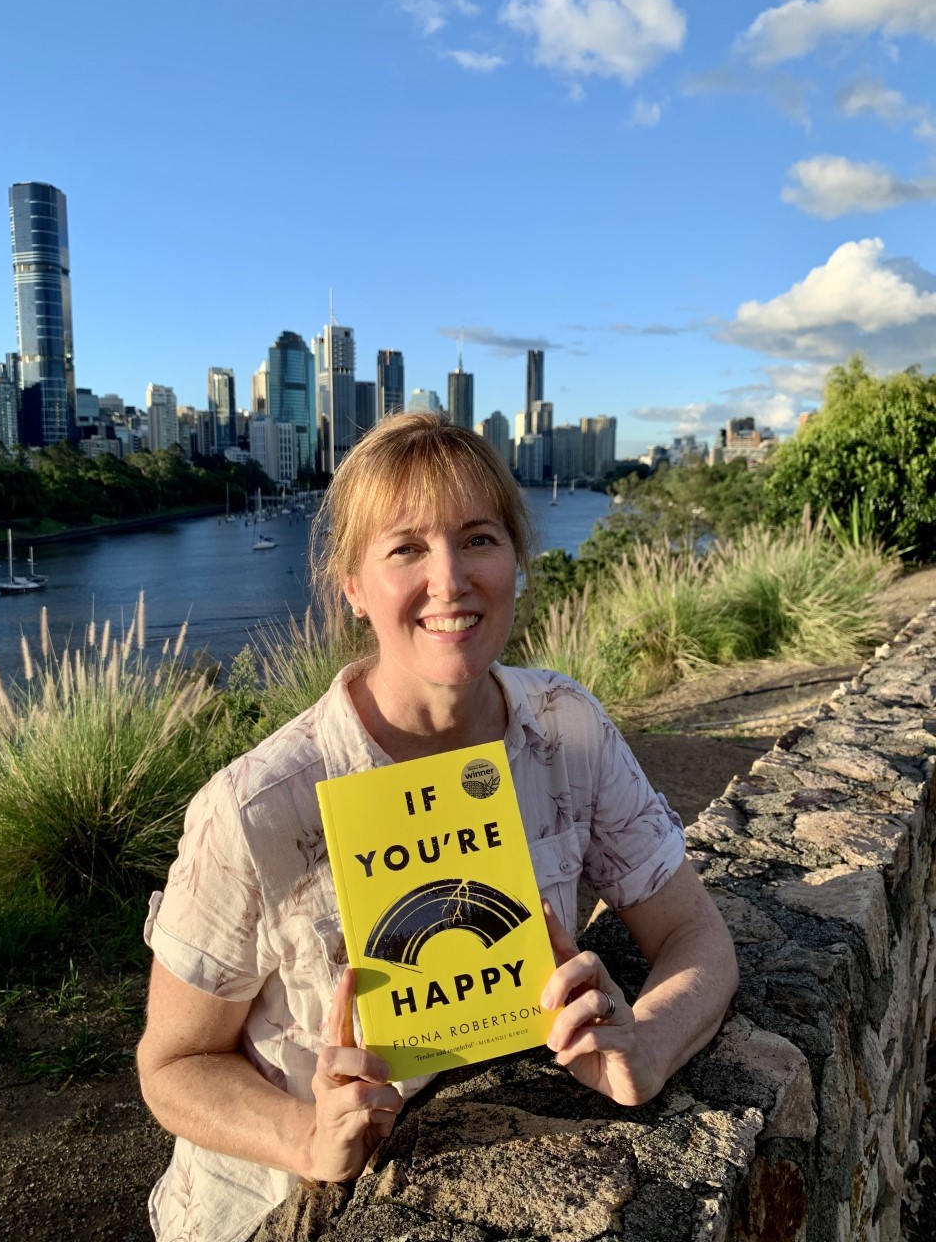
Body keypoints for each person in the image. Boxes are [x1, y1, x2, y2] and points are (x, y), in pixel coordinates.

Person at [137, 411, 738, 1242]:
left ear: (516, 562)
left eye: (479, 538)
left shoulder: (568, 728)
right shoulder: (257, 808)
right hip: (266, 1212)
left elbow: (697, 935)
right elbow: (171, 1065)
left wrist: (651, 1046)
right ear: (352, 585)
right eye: (406, 548)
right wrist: (301, 1134)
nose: (450, 579)